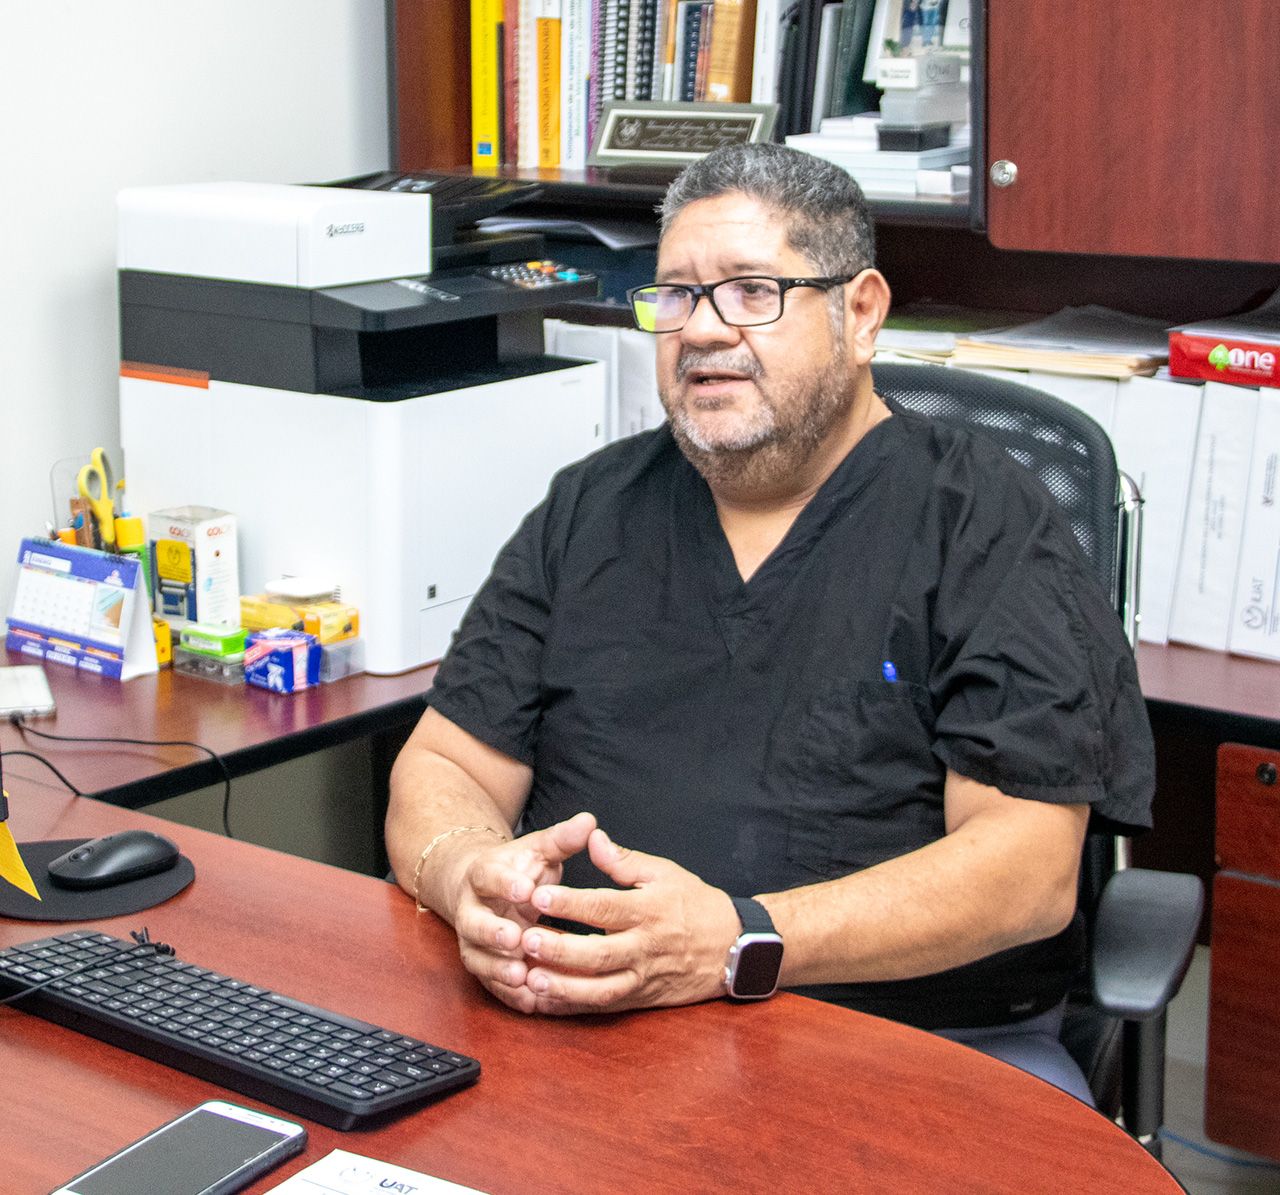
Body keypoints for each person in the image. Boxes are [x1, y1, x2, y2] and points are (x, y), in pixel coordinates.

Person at [385, 142, 1154, 1100]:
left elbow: (1026, 874)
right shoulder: (591, 508)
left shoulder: (983, 522)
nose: (703, 330)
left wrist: (739, 937)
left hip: (898, 1053)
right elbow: (445, 765)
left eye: (751, 291)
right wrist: (465, 875)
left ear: (860, 314)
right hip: (585, 1036)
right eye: (676, 295)